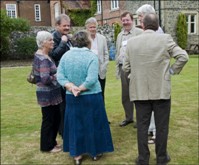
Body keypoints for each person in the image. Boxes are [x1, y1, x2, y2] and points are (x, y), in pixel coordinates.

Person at [123, 13, 189, 165]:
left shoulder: (131, 42)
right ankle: (161, 158)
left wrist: (136, 76)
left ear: (143, 26)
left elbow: (126, 68)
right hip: (161, 91)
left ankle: (142, 159)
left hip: (139, 91)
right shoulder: (165, 38)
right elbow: (183, 56)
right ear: (158, 26)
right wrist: (172, 71)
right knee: (162, 127)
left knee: (142, 127)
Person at [57, 30, 114, 165]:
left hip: (72, 96)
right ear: (87, 42)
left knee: (76, 124)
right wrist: (79, 88)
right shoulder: (92, 56)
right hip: (91, 96)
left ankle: (77, 155)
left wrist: (71, 87)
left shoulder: (66, 56)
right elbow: (92, 79)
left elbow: (60, 76)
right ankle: (95, 152)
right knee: (93, 123)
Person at [136, 4, 164, 144]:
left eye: (140, 17)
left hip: (155, 77)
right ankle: (151, 130)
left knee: (156, 108)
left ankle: (155, 134)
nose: (139, 20)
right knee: (149, 107)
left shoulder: (157, 33)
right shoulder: (147, 31)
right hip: (146, 76)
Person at [33, 31, 63, 153]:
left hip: (49, 93)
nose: (53, 42)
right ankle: (47, 146)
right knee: (49, 120)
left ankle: (52, 142)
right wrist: (58, 75)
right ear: (44, 43)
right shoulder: (43, 58)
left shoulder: (42, 55)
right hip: (48, 94)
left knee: (53, 119)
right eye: (50, 40)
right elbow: (45, 78)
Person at [115, 11, 143, 127]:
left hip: (135, 68)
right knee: (126, 95)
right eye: (123, 20)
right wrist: (117, 68)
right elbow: (118, 52)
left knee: (138, 94)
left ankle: (140, 119)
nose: (125, 22)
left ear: (132, 20)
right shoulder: (120, 35)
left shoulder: (139, 33)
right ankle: (129, 117)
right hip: (123, 68)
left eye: (127, 20)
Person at [49, 14, 73, 138]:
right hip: (59, 76)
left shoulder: (67, 37)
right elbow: (54, 55)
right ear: (57, 25)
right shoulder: (54, 38)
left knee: (67, 104)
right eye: (64, 25)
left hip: (68, 75)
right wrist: (63, 43)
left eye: (68, 25)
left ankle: (65, 128)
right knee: (62, 105)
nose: (67, 27)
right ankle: (63, 131)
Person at [85, 17, 109, 103]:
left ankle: (101, 114)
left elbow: (106, 54)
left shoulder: (102, 38)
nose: (92, 29)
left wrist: (104, 67)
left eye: (94, 27)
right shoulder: (85, 39)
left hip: (100, 71)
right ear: (87, 28)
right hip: (88, 72)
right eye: (90, 27)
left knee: (101, 94)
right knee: (89, 94)